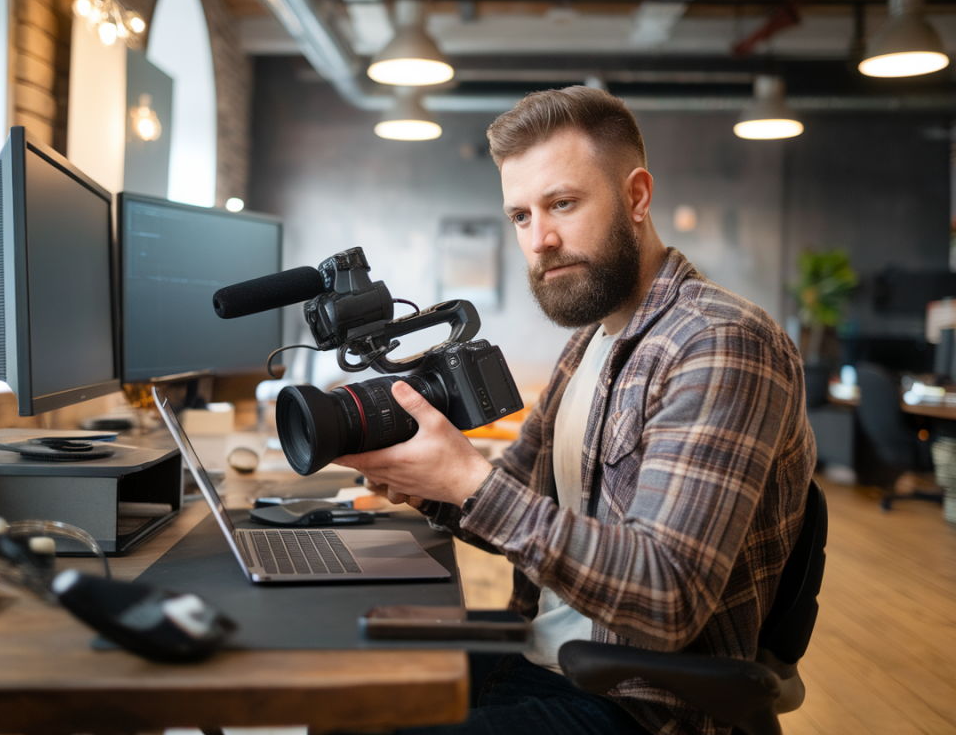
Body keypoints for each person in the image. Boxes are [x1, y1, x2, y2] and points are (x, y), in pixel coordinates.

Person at [335, 86, 816, 735]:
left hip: (637, 707)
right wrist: (424, 478)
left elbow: (666, 595)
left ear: (637, 198)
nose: (540, 239)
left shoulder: (720, 341)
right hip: (540, 653)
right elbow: (513, 499)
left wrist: (468, 482)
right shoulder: (588, 342)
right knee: (338, 695)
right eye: (521, 216)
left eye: (561, 204)